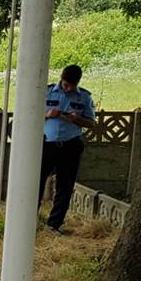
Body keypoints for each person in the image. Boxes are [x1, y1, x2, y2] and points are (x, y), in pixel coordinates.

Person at [40, 64, 96, 234]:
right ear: (61, 79)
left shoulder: (84, 97)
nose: (68, 88)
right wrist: (48, 114)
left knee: (65, 186)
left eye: (72, 85)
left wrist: (75, 118)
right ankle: (30, 220)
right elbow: (30, 113)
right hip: (47, 143)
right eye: (66, 85)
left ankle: (54, 224)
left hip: (70, 145)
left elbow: (91, 123)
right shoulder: (46, 91)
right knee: (36, 182)